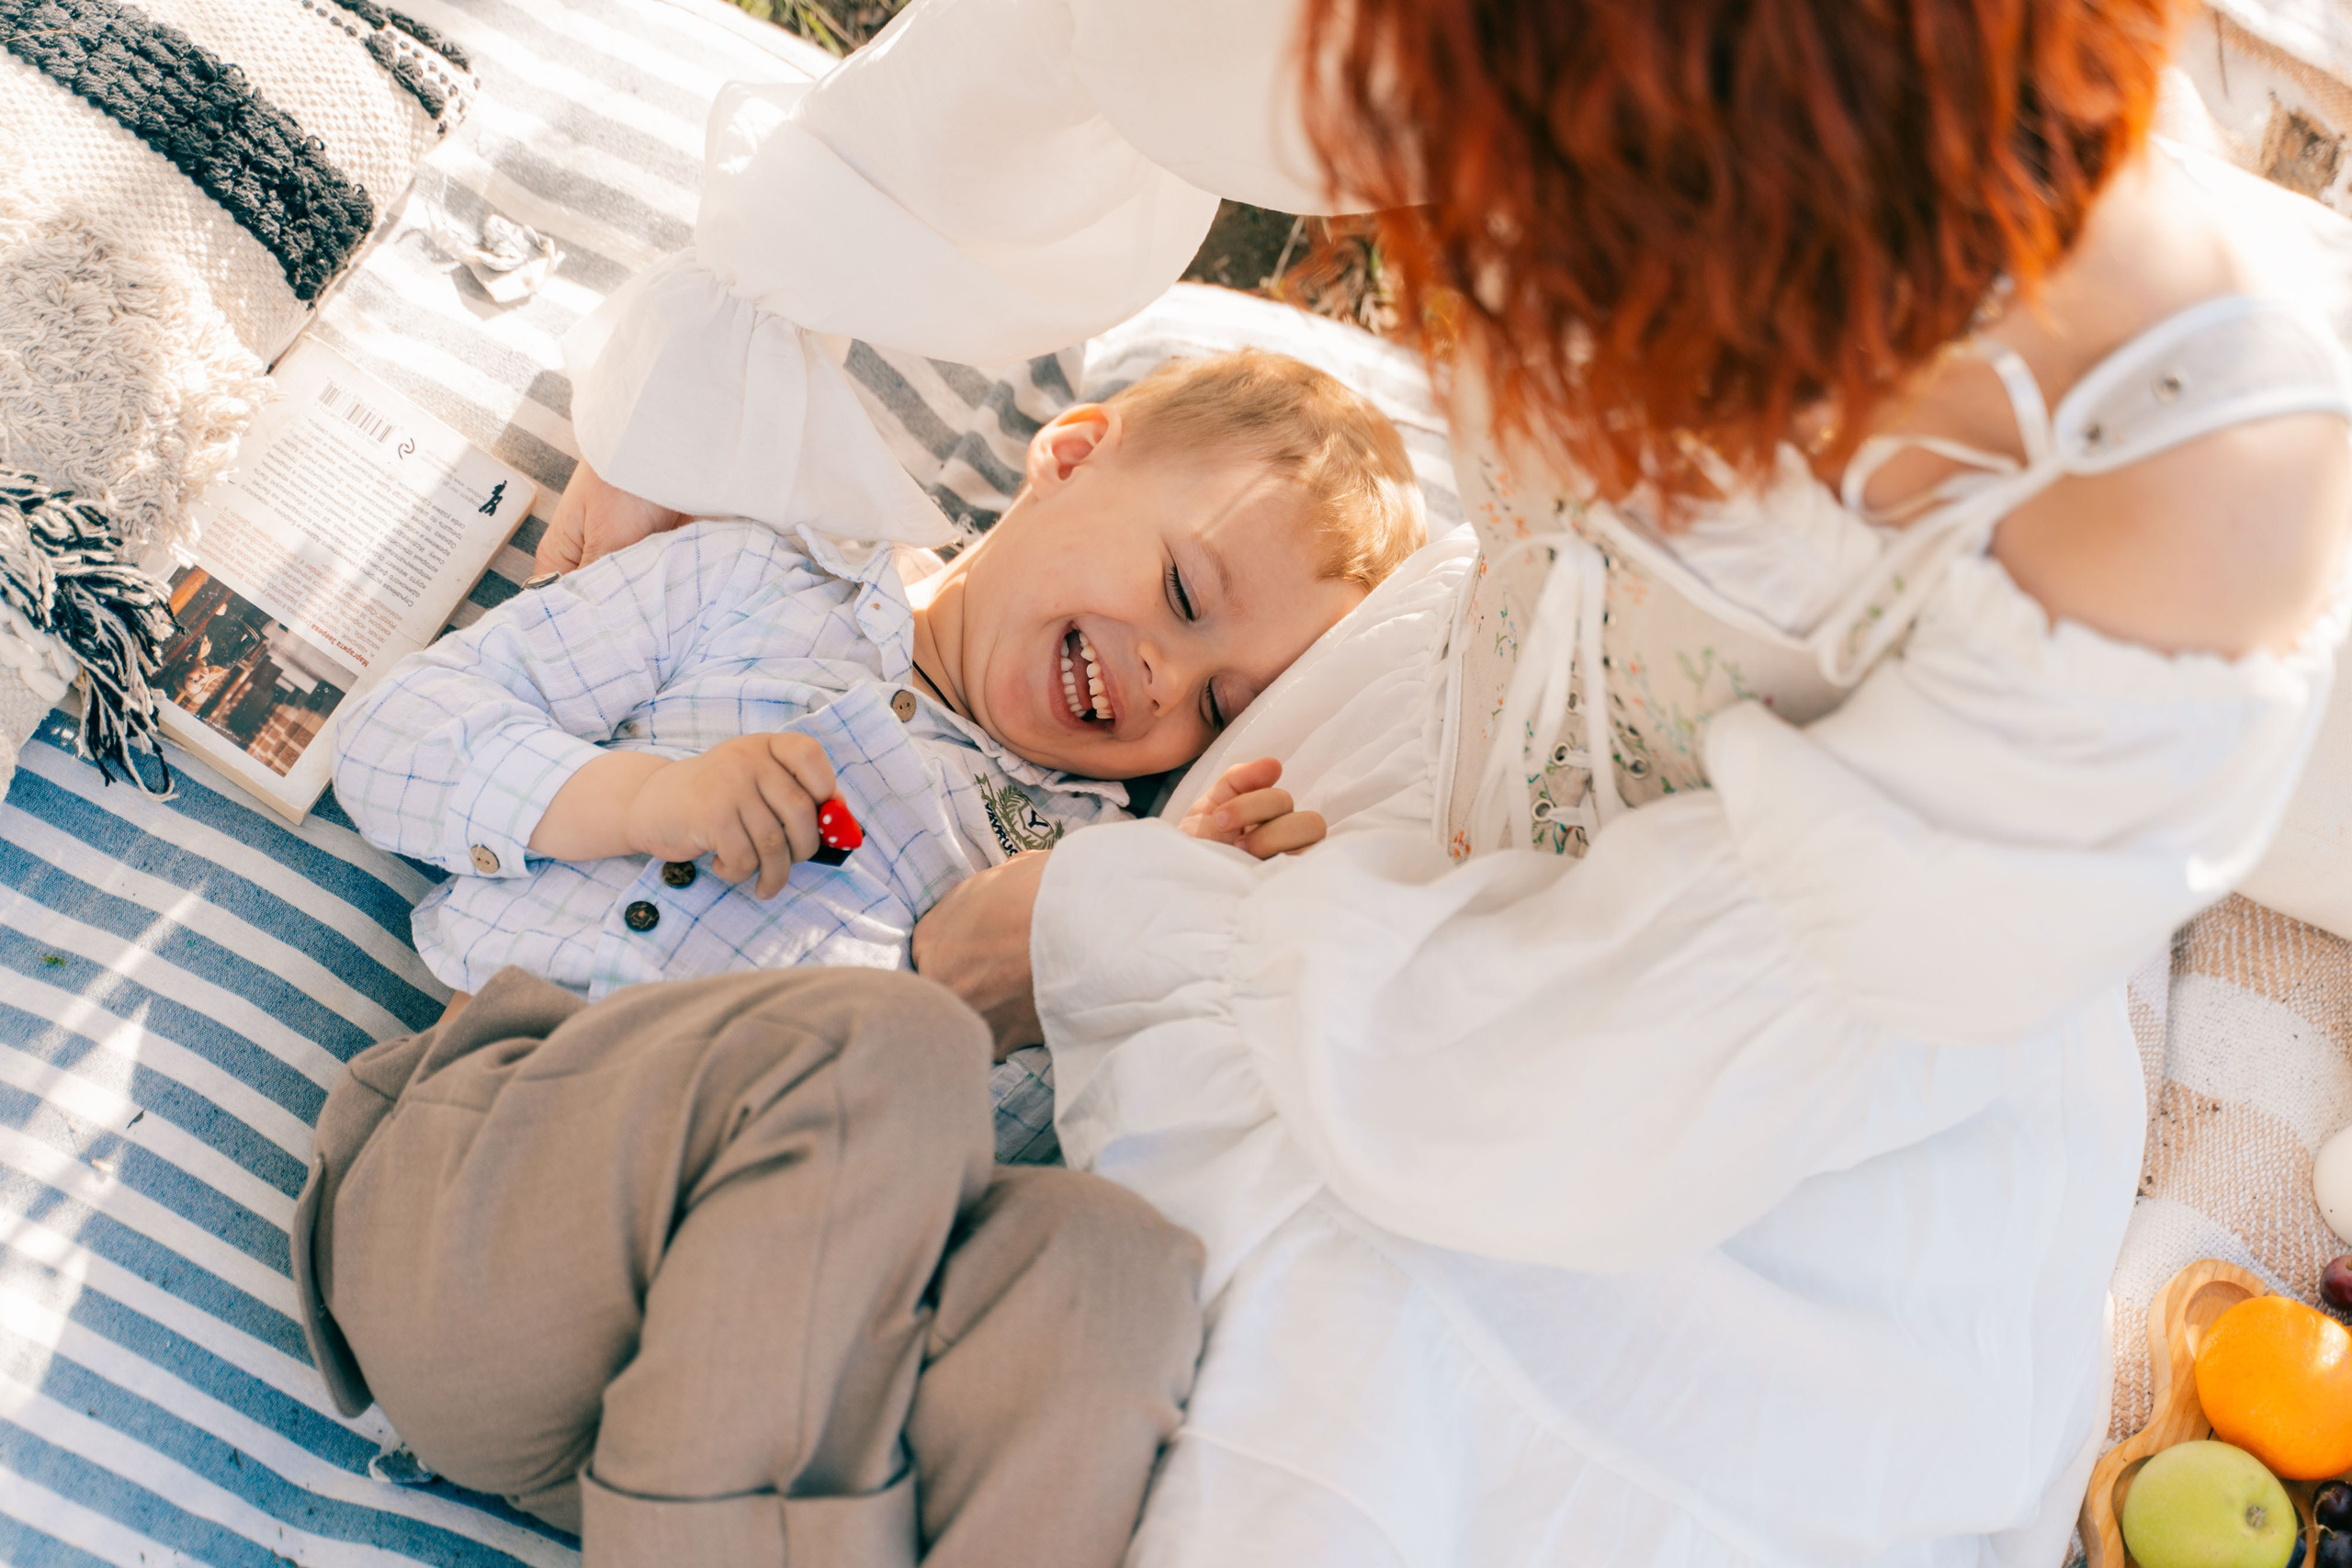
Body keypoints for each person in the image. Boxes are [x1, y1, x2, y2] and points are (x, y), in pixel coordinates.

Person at [528, 0, 2352, 1560]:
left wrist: (1155, 936)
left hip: (1736, 1106)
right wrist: (729, 337)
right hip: (1430, 815)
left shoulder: (2177, 484)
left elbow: (1660, 1069)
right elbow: (1073, 36)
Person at [331, 348, 1423, 998]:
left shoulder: (1085, 848)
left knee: (1102, 1278)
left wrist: (1153, 905)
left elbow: (1026, 1104)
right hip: (527, 1088)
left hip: (809, 1209)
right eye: (1184, 594)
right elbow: (395, 737)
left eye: (1219, 705)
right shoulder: (753, 579)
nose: (1163, 679)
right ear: (1077, 457)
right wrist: (644, 800)